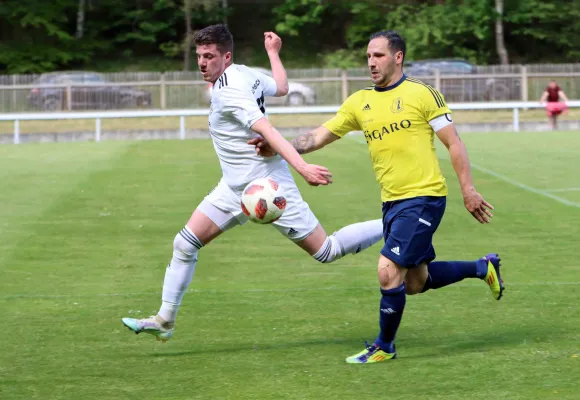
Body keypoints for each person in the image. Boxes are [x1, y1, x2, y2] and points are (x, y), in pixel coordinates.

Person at [250, 30, 505, 364]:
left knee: (388, 271)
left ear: (398, 57)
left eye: (379, 55)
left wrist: (468, 190)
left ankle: (384, 346)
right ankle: (482, 267)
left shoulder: (422, 93)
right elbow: (319, 136)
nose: (371, 62)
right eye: (368, 56)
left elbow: (454, 142)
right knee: (415, 282)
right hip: (393, 202)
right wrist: (279, 146)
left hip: (424, 197)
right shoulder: (360, 102)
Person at [120, 24, 384, 342]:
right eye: (199, 56)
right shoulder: (246, 73)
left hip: (266, 186)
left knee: (325, 250)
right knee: (184, 244)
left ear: (226, 56)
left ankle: (392, 222)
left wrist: (302, 167)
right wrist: (273, 53)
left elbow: (268, 131)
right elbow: (283, 87)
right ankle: (164, 320)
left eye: (210, 56)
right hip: (233, 188)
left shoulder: (231, 90)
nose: (202, 63)